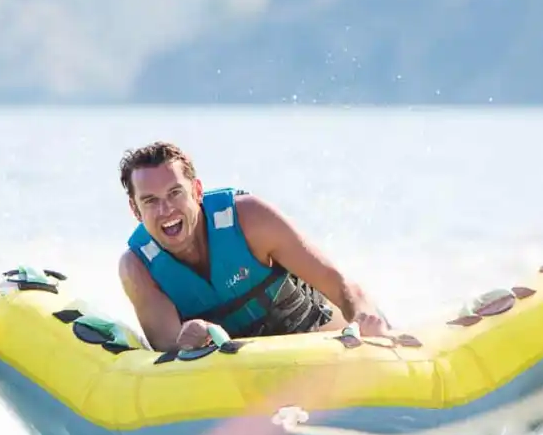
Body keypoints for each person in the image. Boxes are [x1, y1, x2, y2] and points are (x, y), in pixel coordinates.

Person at [116, 141, 392, 351]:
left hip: (325, 348)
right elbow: (169, 348)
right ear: (134, 210)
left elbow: (341, 286)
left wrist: (364, 315)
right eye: (150, 201)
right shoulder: (137, 268)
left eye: (175, 193)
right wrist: (188, 339)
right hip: (244, 377)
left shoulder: (250, 220)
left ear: (197, 191)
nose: (166, 209)